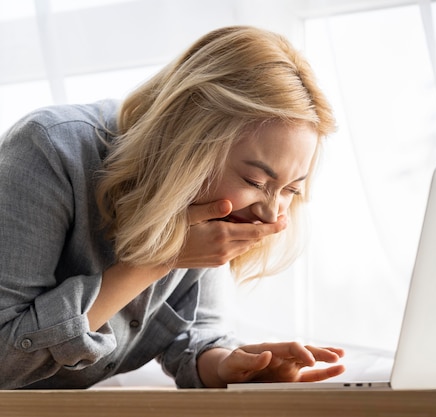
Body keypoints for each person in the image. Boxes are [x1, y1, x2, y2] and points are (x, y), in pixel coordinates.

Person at [0, 25, 345, 389]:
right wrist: (162, 257)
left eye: (291, 189)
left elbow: (193, 332)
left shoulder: (208, 204)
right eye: (255, 182)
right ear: (191, 142)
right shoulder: (48, 150)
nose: (272, 214)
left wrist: (230, 365)